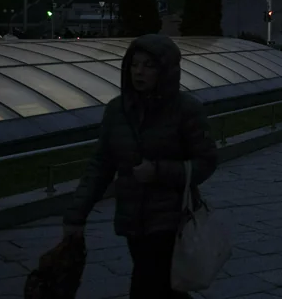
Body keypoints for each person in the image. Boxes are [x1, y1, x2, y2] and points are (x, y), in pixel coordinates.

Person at [63, 34, 218, 299]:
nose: (139, 72)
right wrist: (76, 215)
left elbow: (206, 162)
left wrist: (158, 171)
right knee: (165, 288)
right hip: (133, 220)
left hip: (171, 219)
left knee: (147, 285)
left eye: (148, 65)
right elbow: (100, 165)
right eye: (134, 65)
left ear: (165, 70)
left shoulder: (186, 110)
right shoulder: (117, 111)